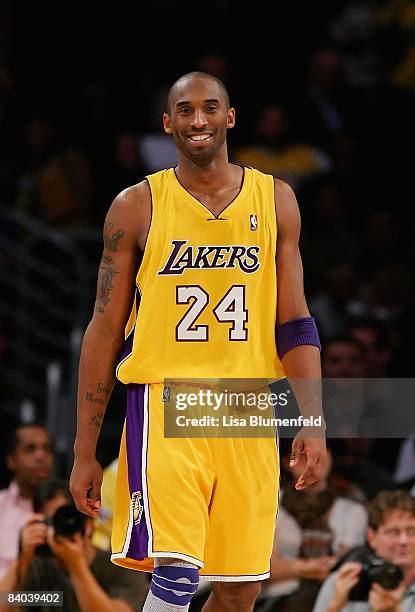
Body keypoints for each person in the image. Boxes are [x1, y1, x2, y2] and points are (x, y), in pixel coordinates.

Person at [70, 71, 327, 612]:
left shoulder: (276, 200)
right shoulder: (137, 206)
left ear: (230, 118)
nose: (198, 120)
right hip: (168, 404)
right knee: (177, 573)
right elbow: (103, 329)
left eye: (210, 108)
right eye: (184, 111)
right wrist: (84, 450)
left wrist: (313, 419)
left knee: (240, 592)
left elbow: (296, 323)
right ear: (168, 124)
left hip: (249, 406)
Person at [0, 479, 148, 612]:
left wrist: (76, 566)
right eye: (50, 522)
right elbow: (6, 605)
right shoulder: (38, 565)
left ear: (88, 525)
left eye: (64, 520)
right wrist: (21, 558)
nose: (56, 530)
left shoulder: (122, 565)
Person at [313, 490, 415, 611]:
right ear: (371, 537)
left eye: (411, 531)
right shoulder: (343, 581)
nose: (403, 541)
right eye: (393, 532)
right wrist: (335, 606)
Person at [0, 422, 54, 579]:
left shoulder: (65, 506)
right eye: (30, 449)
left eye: (47, 449)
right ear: (11, 460)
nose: (40, 456)